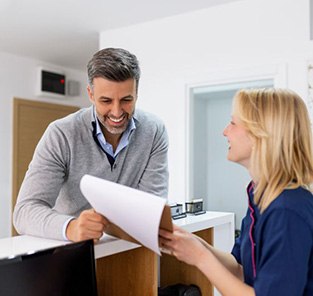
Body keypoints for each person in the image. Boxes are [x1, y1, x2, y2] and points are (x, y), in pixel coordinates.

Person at [159, 88, 313, 295]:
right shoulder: (259, 197)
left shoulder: (287, 210)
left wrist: (200, 258)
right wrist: (195, 243)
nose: (225, 131)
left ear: (261, 133)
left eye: (233, 123)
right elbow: (240, 268)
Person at [13, 47, 169, 242]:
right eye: (106, 100)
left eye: (126, 100)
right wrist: (70, 227)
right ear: (91, 94)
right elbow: (24, 212)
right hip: (72, 251)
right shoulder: (61, 134)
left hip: (127, 248)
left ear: (136, 93)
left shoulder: (154, 130)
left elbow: (152, 205)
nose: (117, 112)